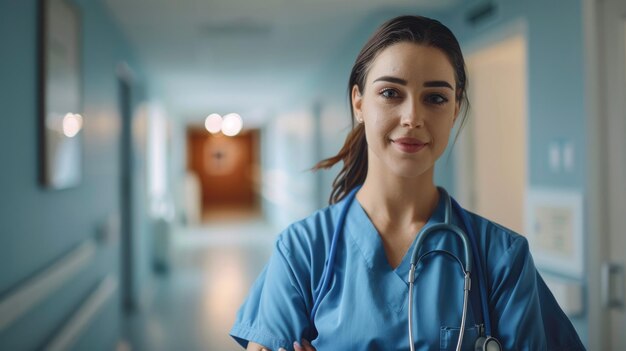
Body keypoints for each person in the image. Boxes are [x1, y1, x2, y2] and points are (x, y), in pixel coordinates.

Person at [230, 15, 585, 351]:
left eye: (435, 98)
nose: (413, 117)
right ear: (359, 103)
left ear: (455, 108)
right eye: (390, 93)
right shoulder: (303, 251)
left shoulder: (501, 257)